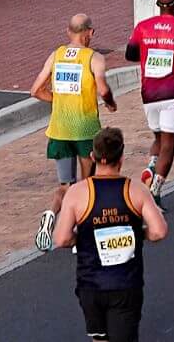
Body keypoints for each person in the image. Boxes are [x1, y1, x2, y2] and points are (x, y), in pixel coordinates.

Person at [52, 128, 168, 342]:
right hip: (126, 284)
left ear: (93, 157)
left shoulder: (77, 193)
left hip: (91, 285)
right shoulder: (135, 190)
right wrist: (138, 234)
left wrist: (86, 239)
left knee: (100, 339)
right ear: (122, 157)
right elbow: (159, 231)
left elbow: (61, 238)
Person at [32, 13, 114, 251]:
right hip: (86, 130)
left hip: (59, 129)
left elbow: (35, 90)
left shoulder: (56, 55)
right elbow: (102, 88)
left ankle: (50, 214)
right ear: (90, 33)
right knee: (87, 185)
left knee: (65, 185)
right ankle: (81, 233)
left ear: (68, 32)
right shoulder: (94, 58)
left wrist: (58, 101)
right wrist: (110, 102)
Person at [124, 0, 174, 197]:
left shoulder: (143, 27)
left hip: (149, 92)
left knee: (158, 138)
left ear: (158, 5)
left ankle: (151, 166)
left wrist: (152, 51)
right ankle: (154, 192)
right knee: (169, 144)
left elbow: (130, 55)